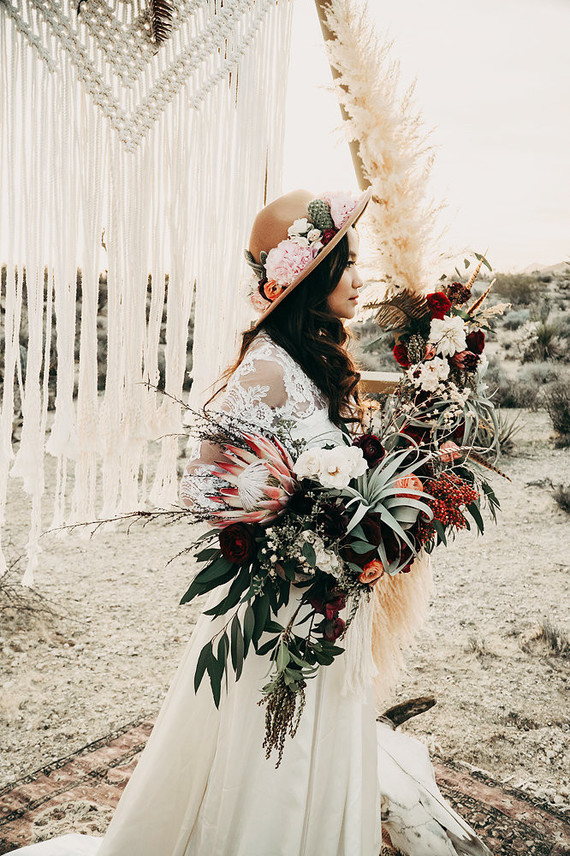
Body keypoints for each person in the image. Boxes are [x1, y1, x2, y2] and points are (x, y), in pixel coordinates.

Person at [9, 188, 491, 856]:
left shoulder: (309, 360)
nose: (356, 280)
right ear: (306, 275)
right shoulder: (268, 367)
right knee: (275, 761)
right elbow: (205, 479)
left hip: (328, 603)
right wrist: (300, 530)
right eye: (341, 265)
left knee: (315, 749)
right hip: (284, 607)